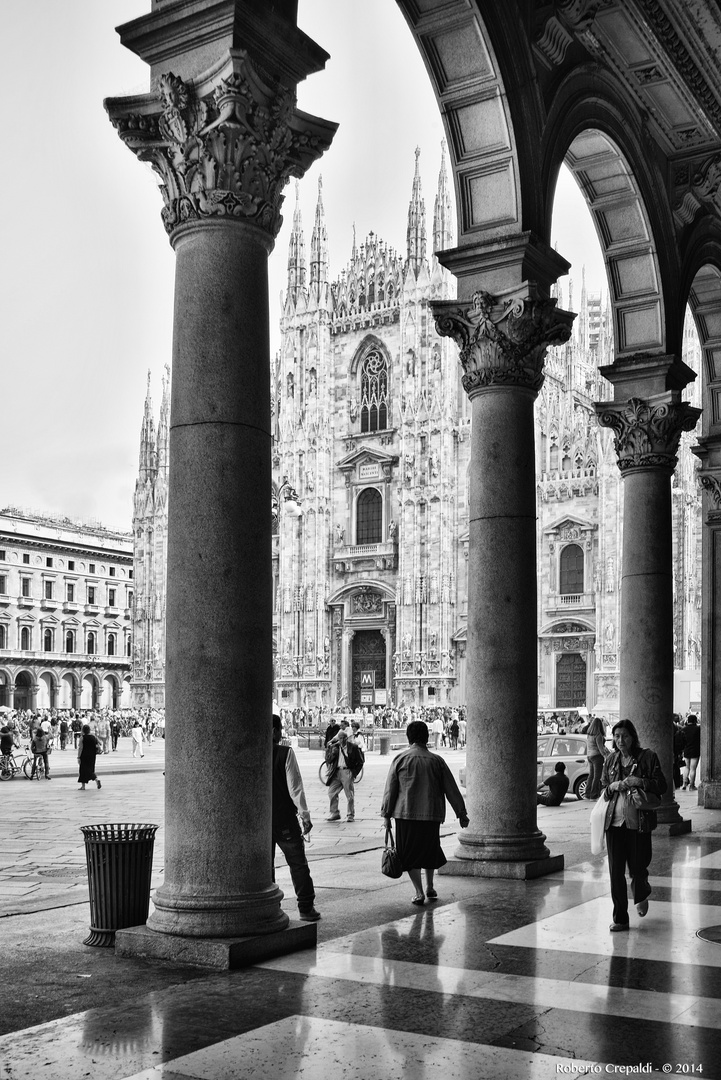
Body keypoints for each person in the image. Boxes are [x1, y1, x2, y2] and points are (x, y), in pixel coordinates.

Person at [381, 720, 469, 906]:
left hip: (406, 815)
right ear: (427, 738)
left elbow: (391, 790)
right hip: (431, 814)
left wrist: (386, 815)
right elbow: (451, 789)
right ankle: (430, 886)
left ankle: (419, 892)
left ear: (409, 737)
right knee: (429, 849)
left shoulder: (400, 759)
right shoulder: (437, 761)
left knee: (409, 854)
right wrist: (461, 813)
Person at [600, 718, 666, 932]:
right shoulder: (611, 760)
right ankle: (620, 918)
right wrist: (612, 786)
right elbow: (603, 790)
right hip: (614, 824)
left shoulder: (648, 757)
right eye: (617, 736)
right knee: (615, 871)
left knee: (638, 867)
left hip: (638, 823)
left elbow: (662, 785)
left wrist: (641, 782)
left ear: (633, 737)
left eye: (625, 736)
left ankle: (641, 893)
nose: (620, 740)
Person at [271, 712, 320, 921]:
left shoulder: (250, 753)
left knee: (265, 866)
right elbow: (295, 789)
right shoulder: (285, 753)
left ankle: (270, 907)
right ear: (274, 731)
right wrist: (305, 816)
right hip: (283, 819)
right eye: (280, 729)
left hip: (259, 822)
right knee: (297, 863)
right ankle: (306, 908)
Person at [325, 729, 356, 822]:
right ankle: (334, 812)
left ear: (347, 738)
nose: (341, 740)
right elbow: (328, 760)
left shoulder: (352, 747)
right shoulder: (335, 747)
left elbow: (360, 761)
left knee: (349, 795)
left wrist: (353, 773)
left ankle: (350, 814)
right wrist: (330, 751)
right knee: (332, 792)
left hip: (347, 771)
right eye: (340, 738)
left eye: (343, 738)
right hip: (336, 772)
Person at [585, 715, 609, 800]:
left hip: (589, 756)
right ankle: (594, 795)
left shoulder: (589, 734)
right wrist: (606, 756)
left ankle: (587, 794)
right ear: (600, 725)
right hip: (597, 756)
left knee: (591, 776)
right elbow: (600, 748)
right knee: (597, 776)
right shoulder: (598, 735)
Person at [77, 724, 101, 790]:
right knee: (90, 770)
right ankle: (96, 780)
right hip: (92, 756)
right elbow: (100, 743)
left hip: (84, 756)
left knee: (83, 770)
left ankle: (83, 786)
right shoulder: (93, 737)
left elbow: (80, 748)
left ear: (83, 730)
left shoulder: (82, 737)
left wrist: (78, 757)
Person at [682, 714, 701, 791]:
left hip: (686, 750)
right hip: (695, 750)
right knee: (693, 769)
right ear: (695, 721)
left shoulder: (684, 729)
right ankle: (692, 786)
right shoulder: (698, 729)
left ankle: (684, 784)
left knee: (687, 767)